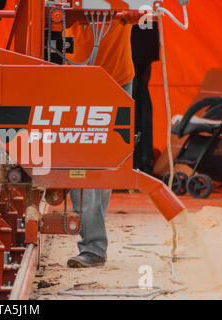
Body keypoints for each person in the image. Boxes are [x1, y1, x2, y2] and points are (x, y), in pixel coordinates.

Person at [64, 13, 136, 268]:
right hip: (77, 75)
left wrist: (133, 14)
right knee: (77, 161)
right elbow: (50, 16)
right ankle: (93, 244)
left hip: (118, 77)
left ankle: (94, 241)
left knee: (107, 161)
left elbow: (145, 12)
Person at [131, 22, 159, 175]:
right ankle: (143, 163)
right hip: (145, 28)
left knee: (133, 97)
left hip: (133, 31)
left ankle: (138, 162)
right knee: (140, 95)